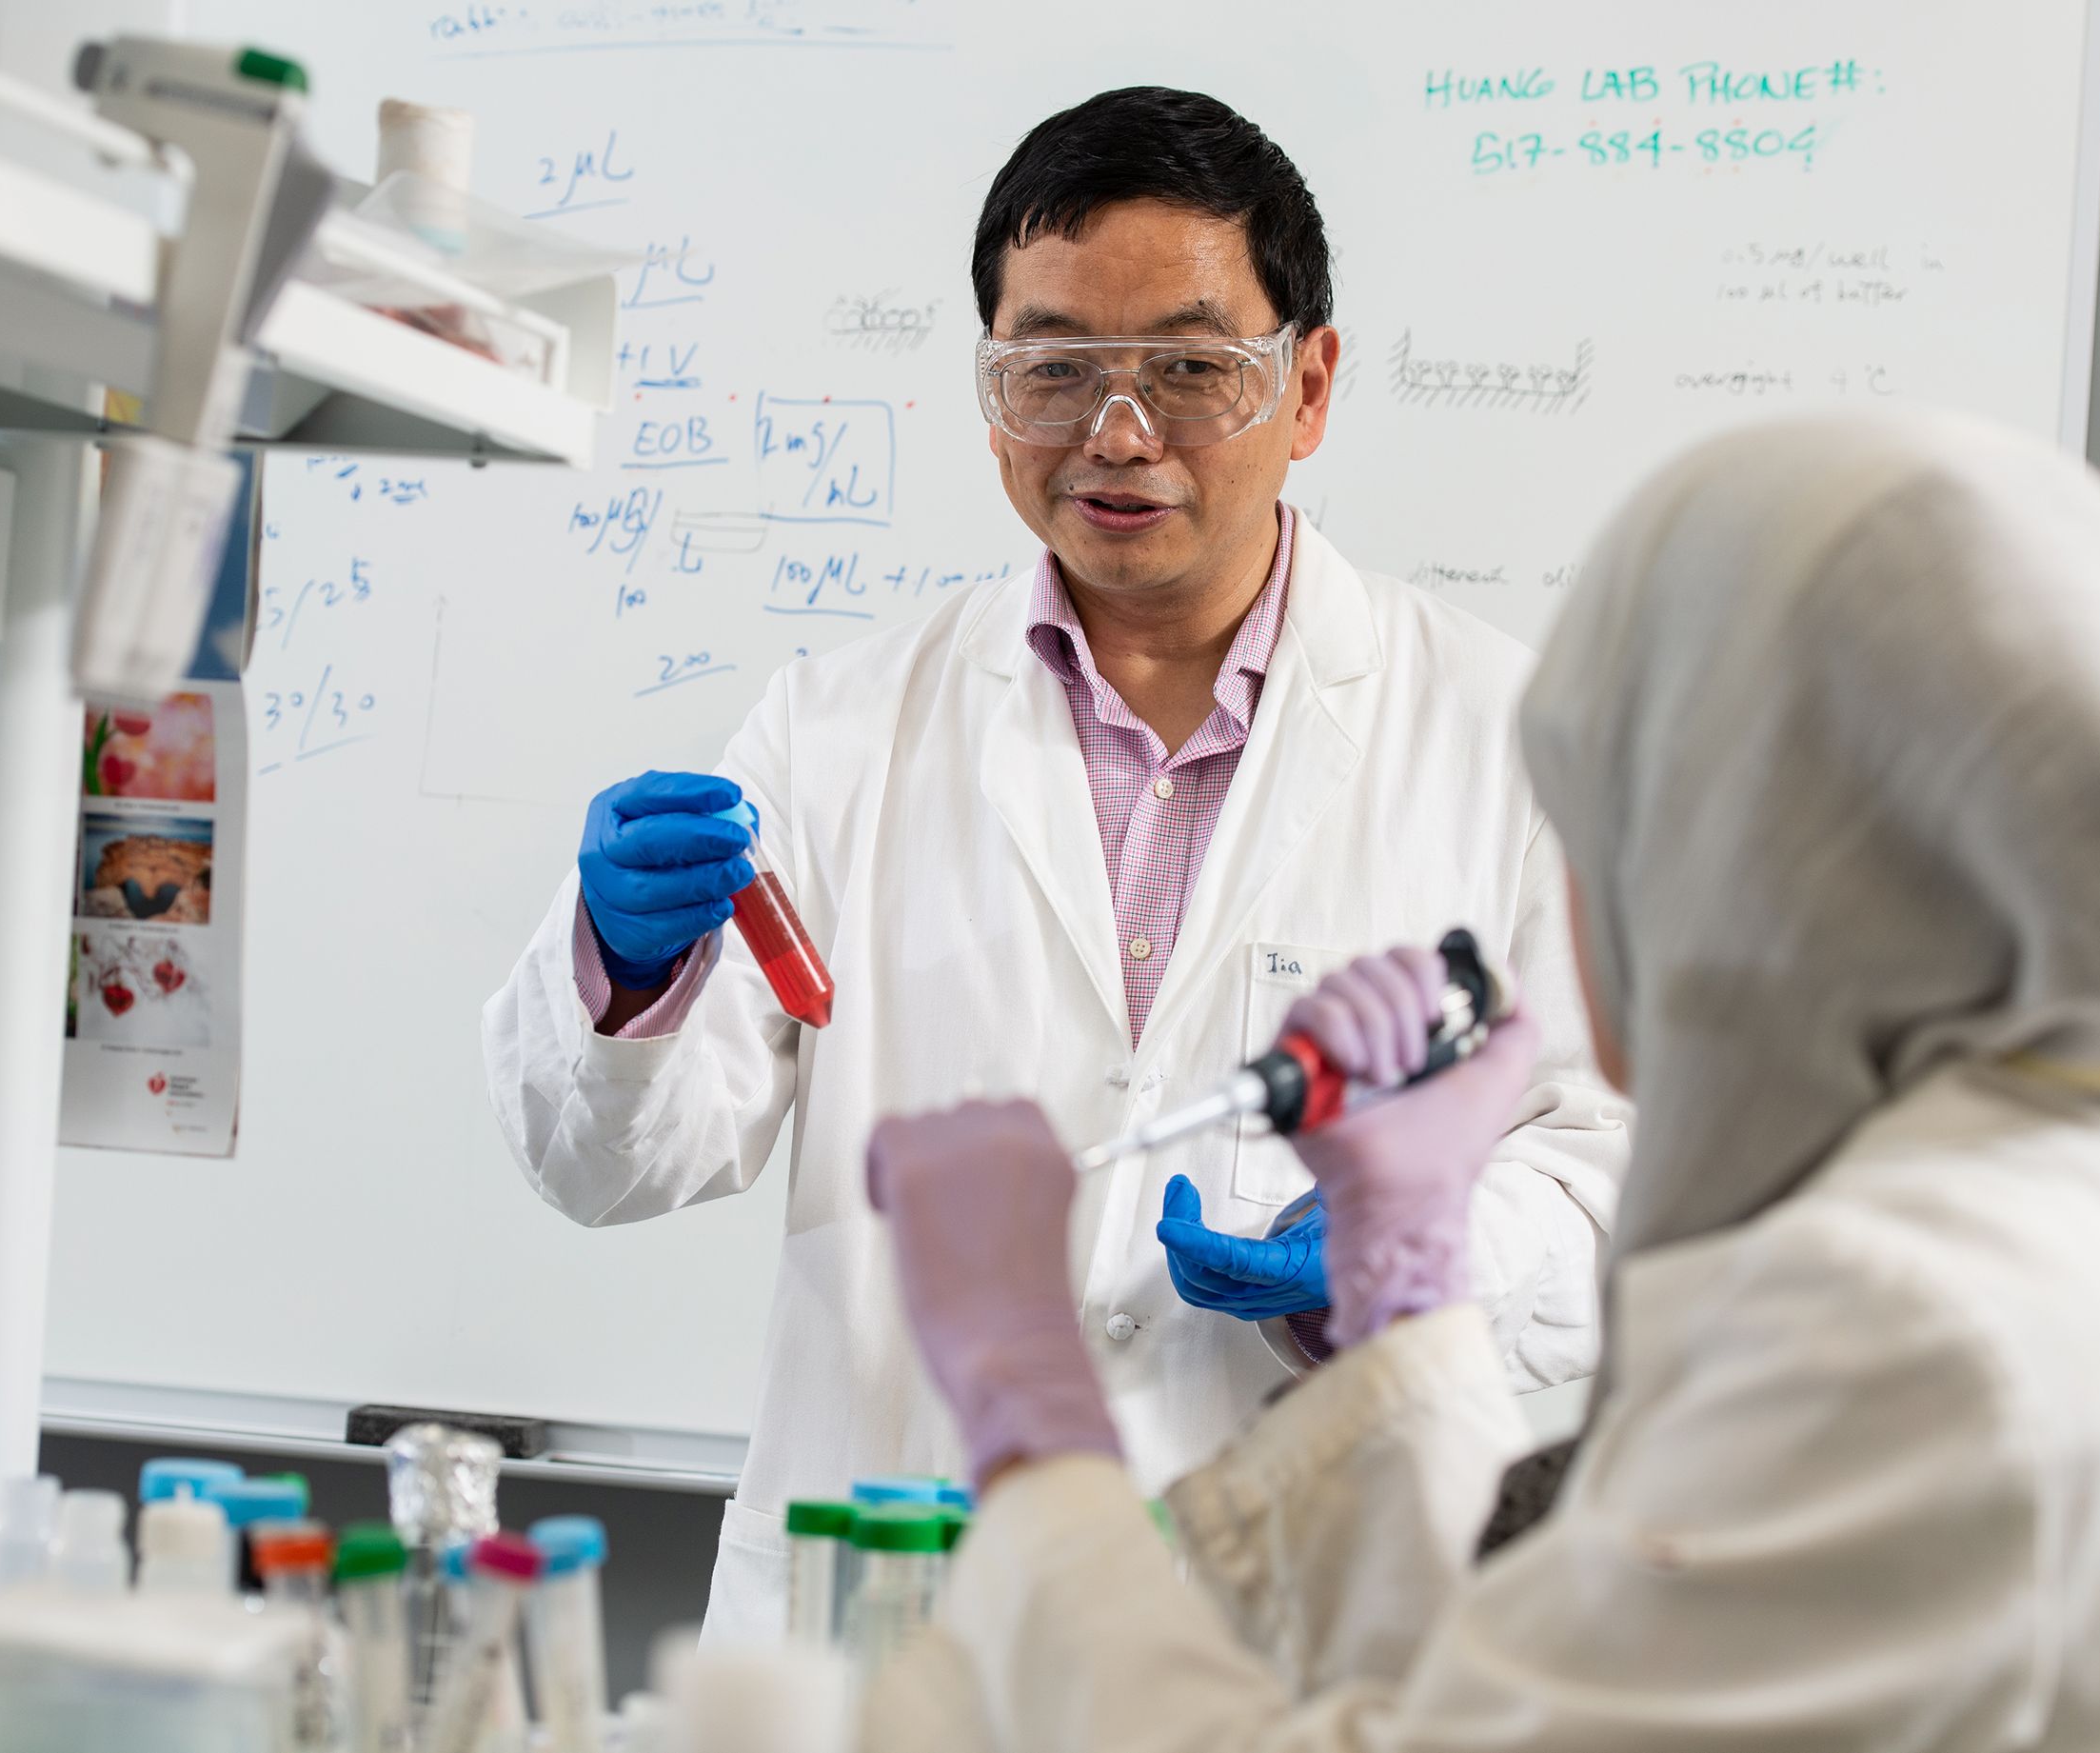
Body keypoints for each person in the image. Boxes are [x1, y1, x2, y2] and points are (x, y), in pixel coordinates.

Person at [858, 412, 2100, 1748]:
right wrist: (1411, 1306)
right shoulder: (2042, 1218)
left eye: (1598, 821)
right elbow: (1511, 1689)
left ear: (1735, 863)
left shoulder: (1906, 1337)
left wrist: (1031, 1412)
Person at [483, 87, 1628, 1638]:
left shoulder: (1510, 738)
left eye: (1189, 368)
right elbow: (612, 1164)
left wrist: (1407, 1252)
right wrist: (624, 976)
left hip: (1297, 1633)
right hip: (900, 1624)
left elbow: (1614, 1170)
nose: (1117, 431)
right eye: (1054, 371)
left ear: (1309, 387)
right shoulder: (835, 730)